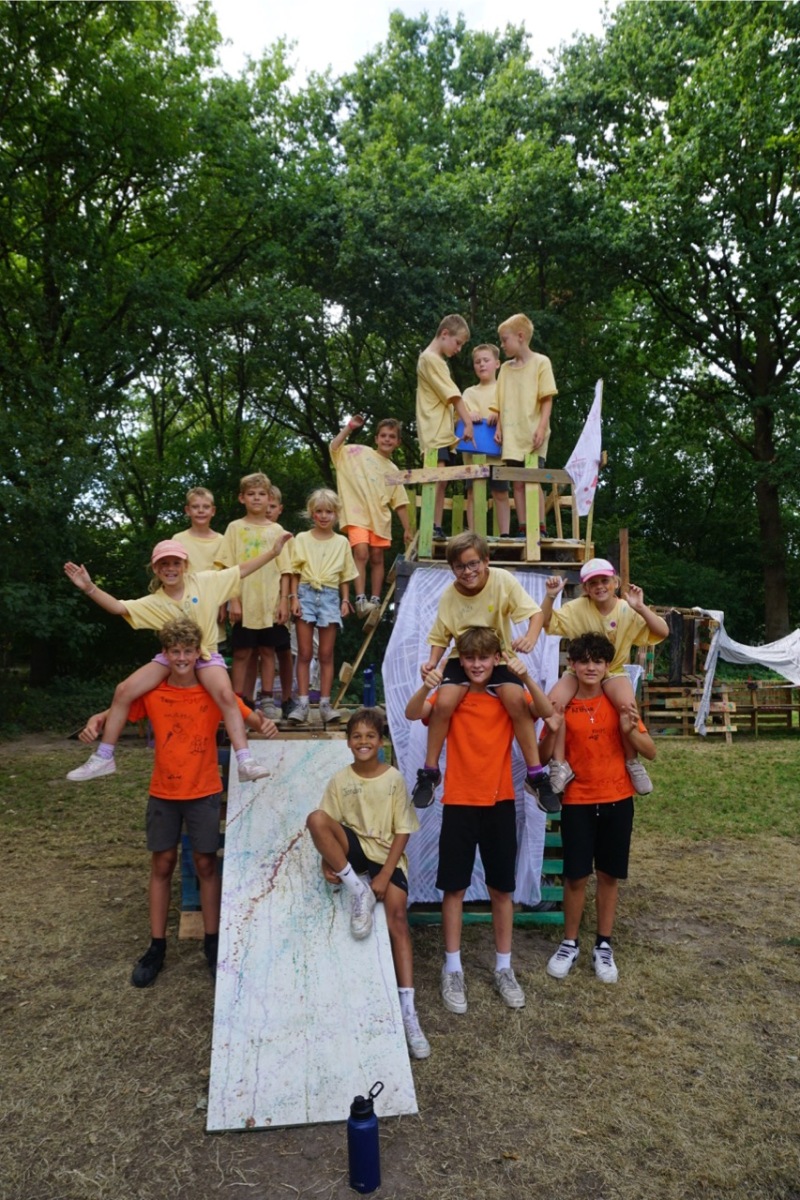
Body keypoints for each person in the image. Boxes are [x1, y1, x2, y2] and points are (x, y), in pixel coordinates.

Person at [77, 617, 277, 988]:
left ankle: (212, 943)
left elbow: (245, 714)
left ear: (198, 653)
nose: (182, 658)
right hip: (164, 793)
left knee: (205, 863)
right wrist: (97, 720)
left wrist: (263, 723)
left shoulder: (213, 691)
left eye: (188, 651)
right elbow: (117, 710)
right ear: (165, 654)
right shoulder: (152, 692)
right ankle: (156, 946)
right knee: (162, 863)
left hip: (203, 790)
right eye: (174, 651)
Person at [405, 626, 561, 1013]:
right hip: (458, 802)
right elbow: (412, 713)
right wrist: (426, 685)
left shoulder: (506, 696)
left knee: (501, 890)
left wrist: (526, 676)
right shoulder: (450, 695)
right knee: (454, 889)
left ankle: (504, 967)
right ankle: (452, 968)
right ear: (461, 661)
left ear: (496, 660)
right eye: (470, 658)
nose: (477, 665)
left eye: (484, 658)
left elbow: (546, 713)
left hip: (499, 801)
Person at [63, 531, 291, 783]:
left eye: (175, 563)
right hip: (172, 657)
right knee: (124, 689)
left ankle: (245, 760)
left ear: (185, 565)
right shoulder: (155, 602)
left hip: (205, 654)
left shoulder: (206, 581)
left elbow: (242, 570)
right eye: (164, 564)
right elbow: (118, 607)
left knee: (226, 695)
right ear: (155, 569)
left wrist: (273, 553)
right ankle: (104, 756)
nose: (170, 568)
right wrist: (89, 587)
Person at [306, 707, 429, 1059]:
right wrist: (327, 861)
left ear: (381, 742)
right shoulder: (340, 780)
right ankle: (356, 888)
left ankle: (408, 1013)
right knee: (315, 818)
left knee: (397, 919)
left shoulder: (393, 779)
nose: (363, 742)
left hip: (387, 857)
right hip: (356, 852)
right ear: (348, 742)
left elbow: (403, 830)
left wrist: (386, 874)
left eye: (370, 736)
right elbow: (328, 825)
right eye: (356, 736)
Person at [410, 531, 558, 814]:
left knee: (516, 701)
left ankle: (536, 774)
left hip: (498, 655)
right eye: (460, 567)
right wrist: (432, 662)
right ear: (452, 569)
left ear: (486, 561)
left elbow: (536, 614)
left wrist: (530, 638)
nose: (467, 572)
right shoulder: (449, 595)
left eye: (473, 564)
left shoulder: (502, 580)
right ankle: (430, 771)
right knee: (443, 703)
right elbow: (440, 636)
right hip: (463, 656)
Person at [539, 632, 656, 984]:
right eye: (584, 661)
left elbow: (650, 750)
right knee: (575, 876)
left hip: (617, 798)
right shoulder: (563, 704)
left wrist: (630, 731)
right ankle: (569, 943)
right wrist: (551, 728)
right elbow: (542, 756)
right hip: (577, 801)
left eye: (598, 661)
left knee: (608, 874)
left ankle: (603, 944)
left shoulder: (618, 703)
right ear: (572, 665)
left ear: (607, 666)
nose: (591, 667)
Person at [541, 557, 668, 795]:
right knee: (553, 704)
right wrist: (550, 597)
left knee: (627, 706)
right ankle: (559, 764)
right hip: (578, 671)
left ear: (615, 582)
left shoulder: (626, 609)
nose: (600, 586)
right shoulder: (576, 608)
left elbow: (662, 631)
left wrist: (641, 607)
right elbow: (546, 622)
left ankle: (632, 761)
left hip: (614, 669)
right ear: (586, 588)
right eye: (593, 583)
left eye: (605, 581)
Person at [216, 472, 294, 719]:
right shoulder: (234, 528)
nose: (257, 498)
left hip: (270, 603)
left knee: (268, 651)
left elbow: (285, 570)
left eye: (262, 494)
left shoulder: (277, 530)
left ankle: (267, 699)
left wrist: (284, 602)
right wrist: (233, 599)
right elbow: (227, 568)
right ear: (242, 498)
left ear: (270, 498)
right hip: (244, 602)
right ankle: (238, 701)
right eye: (251, 494)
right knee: (242, 652)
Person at [329, 414, 412, 618]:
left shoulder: (393, 470)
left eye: (392, 436)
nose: (387, 439)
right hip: (356, 514)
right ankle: (360, 599)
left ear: (398, 442)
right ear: (376, 438)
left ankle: (374, 600)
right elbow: (335, 448)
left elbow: (400, 503)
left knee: (376, 557)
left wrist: (407, 529)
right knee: (361, 552)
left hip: (380, 518)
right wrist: (349, 427)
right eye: (383, 435)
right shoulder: (359, 452)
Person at [288, 488, 358, 724]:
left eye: (329, 511)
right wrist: (294, 598)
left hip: (330, 595)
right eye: (319, 511)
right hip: (305, 592)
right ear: (312, 513)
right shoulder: (301, 538)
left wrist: (345, 600)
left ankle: (326, 705)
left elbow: (345, 575)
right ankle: (302, 704)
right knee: (304, 652)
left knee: (326, 654)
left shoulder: (342, 542)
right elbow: (295, 571)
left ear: (336, 514)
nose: (324, 516)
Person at [493, 313, 558, 539]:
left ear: (520, 337)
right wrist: (499, 427)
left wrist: (541, 428)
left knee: (533, 481)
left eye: (505, 340)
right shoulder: (505, 369)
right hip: (512, 435)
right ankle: (522, 528)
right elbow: (499, 401)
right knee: (517, 483)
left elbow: (547, 399)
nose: (502, 345)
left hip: (533, 434)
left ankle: (539, 527)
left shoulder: (541, 362)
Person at [415, 313, 475, 540]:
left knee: (442, 481)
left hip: (443, 432)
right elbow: (453, 395)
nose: (458, 349)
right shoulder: (430, 359)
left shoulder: (437, 362)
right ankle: (430, 525)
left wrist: (461, 419)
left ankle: (436, 525)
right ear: (444, 334)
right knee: (435, 478)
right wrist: (468, 422)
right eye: (457, 343)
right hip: (434, 432)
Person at [461, 344, 511, 537]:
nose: (481, 364)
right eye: (477, 362)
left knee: (501, 493)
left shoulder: (503, 389)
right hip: (473, 455)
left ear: (497, 364)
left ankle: (504, 535)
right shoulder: (469, 393)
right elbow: (458, 416)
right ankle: (474, 535)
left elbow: (512, 413)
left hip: (499, 454)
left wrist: (498, 415)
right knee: (473, 493)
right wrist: (469, 415)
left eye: (486, 360)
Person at [172, 486, 224, 572]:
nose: (201, 510)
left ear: (213, 511)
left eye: (206, 507)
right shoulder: (178, 540)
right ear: (187, 510)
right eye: (195, 507)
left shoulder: (223, 541)